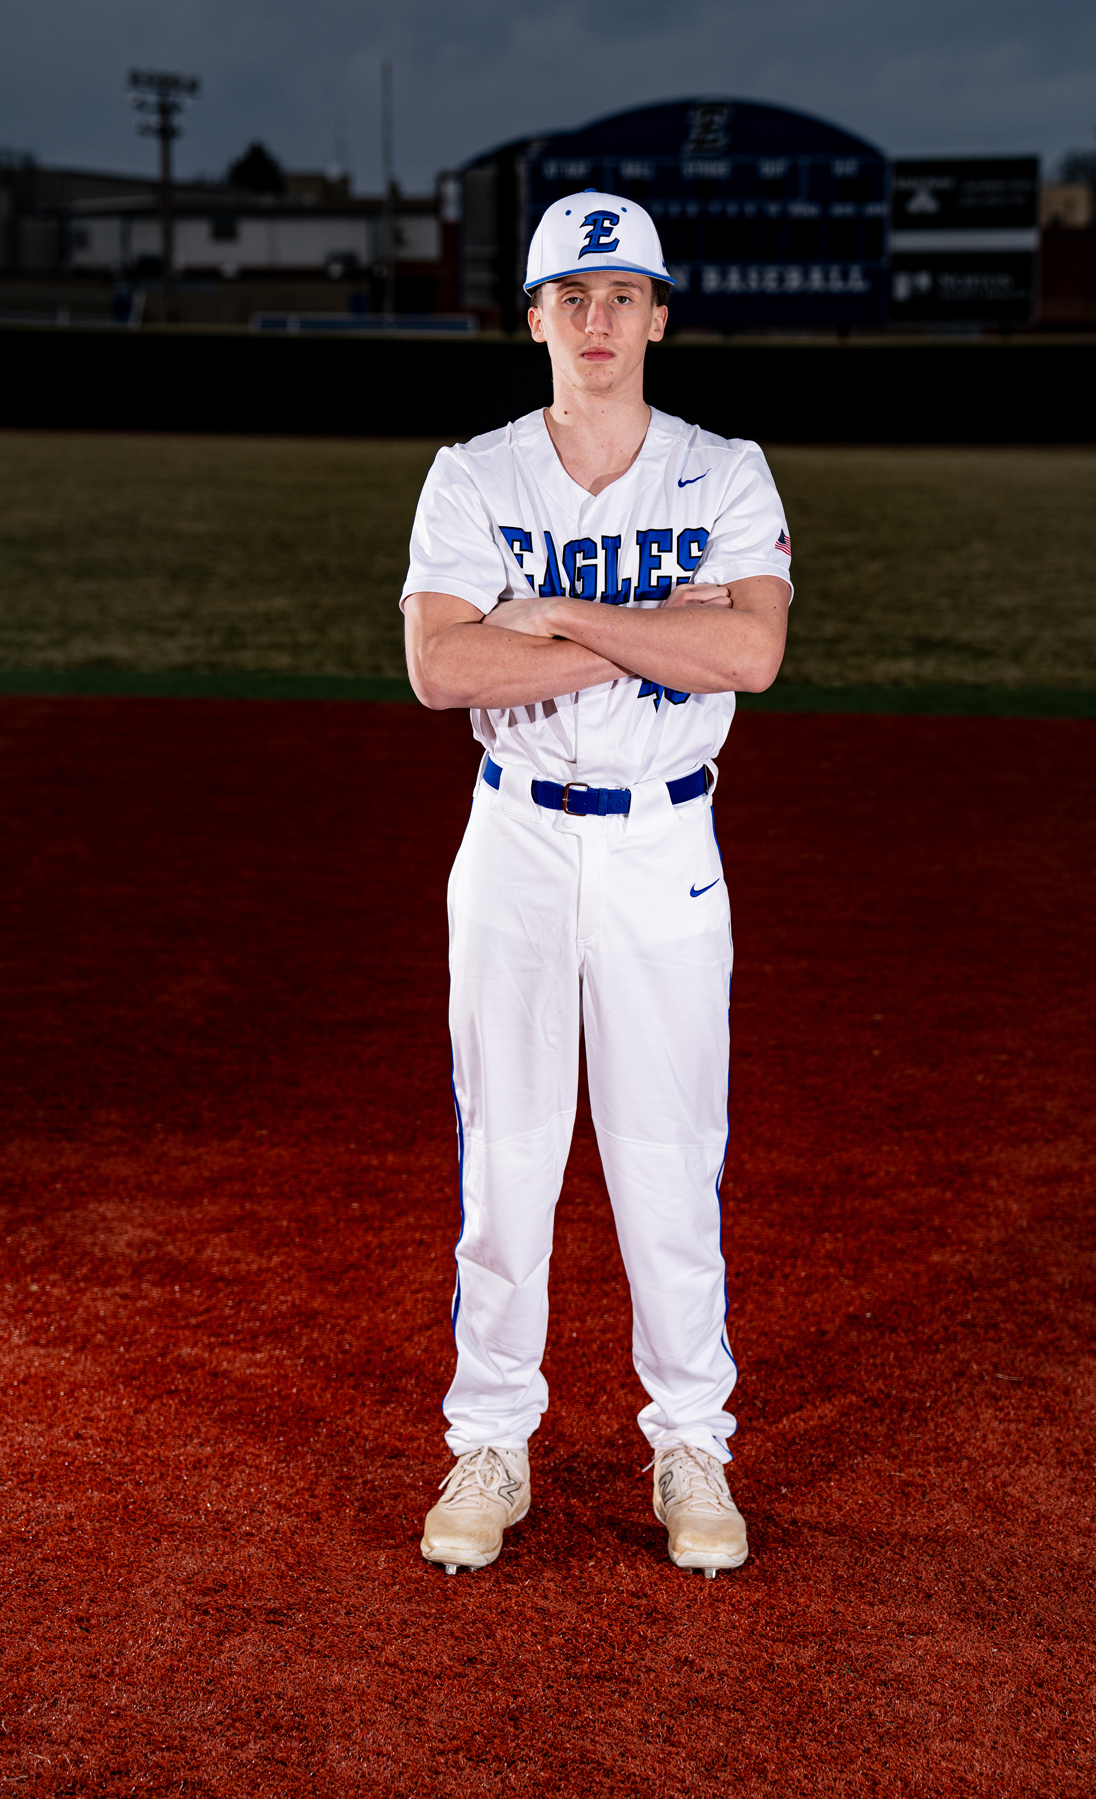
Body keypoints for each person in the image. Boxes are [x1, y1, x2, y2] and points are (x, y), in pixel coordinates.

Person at [401, 188, 791, 1577]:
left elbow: (749, 656)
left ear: (658, 317)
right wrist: (653, 631)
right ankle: (490, 1440)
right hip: (514, 842)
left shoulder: (723, 471)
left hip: (661, 844)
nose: (598, 318)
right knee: (506, 1153)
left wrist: (557, 614)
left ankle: (691, 1443)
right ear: (535, 319)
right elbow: (442, 668)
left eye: (623, 294)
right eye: (571, 295)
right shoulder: (473, 476)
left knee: (667, 1158)